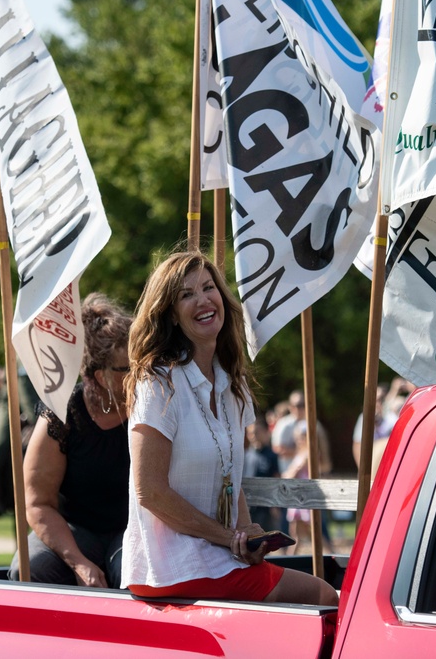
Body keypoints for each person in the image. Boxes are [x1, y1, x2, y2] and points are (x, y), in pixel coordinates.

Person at [122, 251, 337, 605]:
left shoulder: (233, 387)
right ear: (171, 315)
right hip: (173, 569)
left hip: (217, 561)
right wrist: (227, 537)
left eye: (209, 287)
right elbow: (150, 492)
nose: (203, 299)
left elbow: (230, 480)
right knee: (322, 595)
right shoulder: (158, 384)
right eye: (186, 294)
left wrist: (248, 539)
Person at [9, 293, 132, 586]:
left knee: (132, 571)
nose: (143, 372)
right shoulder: (61, 413)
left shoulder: (152, 406)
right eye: (130, 367)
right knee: (29, 567)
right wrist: (79, 562)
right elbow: (38, 503)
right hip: (74, 530)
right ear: (102, 377)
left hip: (134, 531)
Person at [0, 363, 40, 519]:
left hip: (40, 404)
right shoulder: (22, 353)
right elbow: (25, 395)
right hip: (11, 405)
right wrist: (41, 420)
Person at [243, 412, 280, 532]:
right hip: (249, 503)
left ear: (265, 432)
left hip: (266, 505)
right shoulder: (246, 455)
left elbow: (276, 477)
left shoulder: (271, 456)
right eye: (250, 433)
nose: (253, 436)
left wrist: (275, 504)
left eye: (256, 433)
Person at [352, 385, 398, 476]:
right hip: (370, 467)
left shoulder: (391, 419)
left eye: (379, 400)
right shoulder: (364, 418)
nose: (376, 403)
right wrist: (362, 470)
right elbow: (357, 445)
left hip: (388, 466)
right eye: (373, 399)